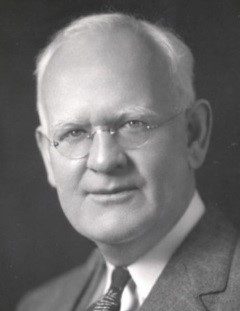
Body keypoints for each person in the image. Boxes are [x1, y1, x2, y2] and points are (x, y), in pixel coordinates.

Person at [17, 13, 240, 311]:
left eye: (134, 124)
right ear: (48, 156)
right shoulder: (38, 305)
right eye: (74, 133)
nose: (104, 159)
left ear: (193, 135)